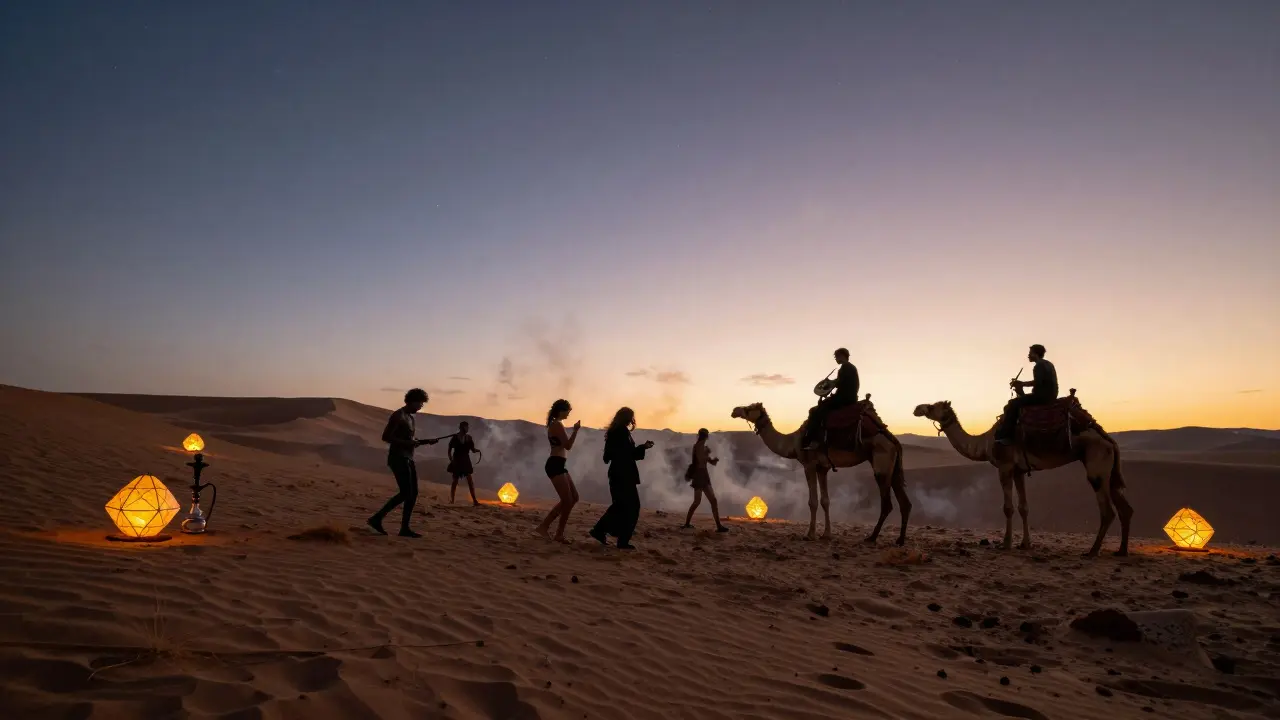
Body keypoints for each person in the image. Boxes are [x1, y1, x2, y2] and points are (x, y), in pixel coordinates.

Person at [368, 388, 438, 537]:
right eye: (419, 403)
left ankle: (404, 528)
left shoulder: (410, 418)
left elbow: (410, 440)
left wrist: (425, 442)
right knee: (406, 492)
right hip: (398, 458)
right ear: (412, 401)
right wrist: (407, 444)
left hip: (408, 458)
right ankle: (376, 518)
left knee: (413, 493)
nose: (421, 407)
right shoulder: (398, 416)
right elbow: (386, 437)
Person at [590, 407, 653, 550]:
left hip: (618, 473)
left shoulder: (615, 431)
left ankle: (603, 531)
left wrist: (642, 447)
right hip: (623, 474)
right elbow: (628, 454)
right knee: (632, 507)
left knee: (621, 506)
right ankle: (619, 539)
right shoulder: (622, 432)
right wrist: (642, 447)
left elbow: (609, 456)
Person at [535, 399, 581, 543]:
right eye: (568, 411)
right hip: (555, 464)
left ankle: (551, 529)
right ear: (562, 410)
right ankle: (550, 530)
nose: (569, 414)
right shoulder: (556, 425)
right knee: (567, 500)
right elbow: (567, 446)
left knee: (574, 497)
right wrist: (575, 431)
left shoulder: (556, 424)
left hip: (559, 464)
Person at [996, 344, 1059, 445]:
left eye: (1030, 353)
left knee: (1012, 404)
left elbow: (1038, 382)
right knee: (1020, 401)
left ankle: (1006, 436)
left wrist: (1021, 384)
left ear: (1036, 354)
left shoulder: (1039, 365)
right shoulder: (1048, 364)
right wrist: (1021, 385)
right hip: (1049, 395)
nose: (1028, 356)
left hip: (1043, 396)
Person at [801, 347, 860, 450]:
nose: (836, 359)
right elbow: (841, 382)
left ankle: (813, 440)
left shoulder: (846, 368)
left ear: (842, 356)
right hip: (848, 397)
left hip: (844, 398)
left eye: (836, 357)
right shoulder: (849, 367)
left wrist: (828, 384)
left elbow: (840, 383)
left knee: (816, 411)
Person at [683, 428, 728, 532]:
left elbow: (709, 462)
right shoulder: (699, 446)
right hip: (700, 475)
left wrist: (713, 459)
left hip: (702, 475)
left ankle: (718, 526)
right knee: (704, 501)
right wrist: (707, 454)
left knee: (705, 501)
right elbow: (701, 460)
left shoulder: (701, 447)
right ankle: (718, 526)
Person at [447, 421, 480, 506]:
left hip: (466, 460)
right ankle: (452, 500)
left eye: (467, 427)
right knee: (455, 481)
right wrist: (451, 460)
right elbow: (449, 450)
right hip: (457, 460)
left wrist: (477, 450)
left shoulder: (469, 438)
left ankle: (475, 500)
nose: (467, 429)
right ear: (461, 428)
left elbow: (472, 450)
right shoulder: (455, 438)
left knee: (470, 481)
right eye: (466, 427)